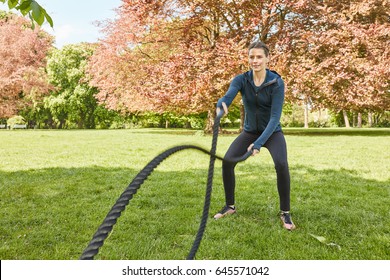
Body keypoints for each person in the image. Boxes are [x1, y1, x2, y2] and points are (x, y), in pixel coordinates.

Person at [214, 41, 295, 230]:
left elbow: (275, 117)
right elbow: (229, 95)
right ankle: (230, 206)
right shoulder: (242, 79)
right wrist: (223, 102)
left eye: (259, 57)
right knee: (228, 161)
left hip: (272, 132)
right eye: (252, 57)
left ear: (267, 58)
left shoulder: (276, 82)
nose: (255, 60)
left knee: (282, 164)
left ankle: (285, 212)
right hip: (250, 130)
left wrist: (258, 144)